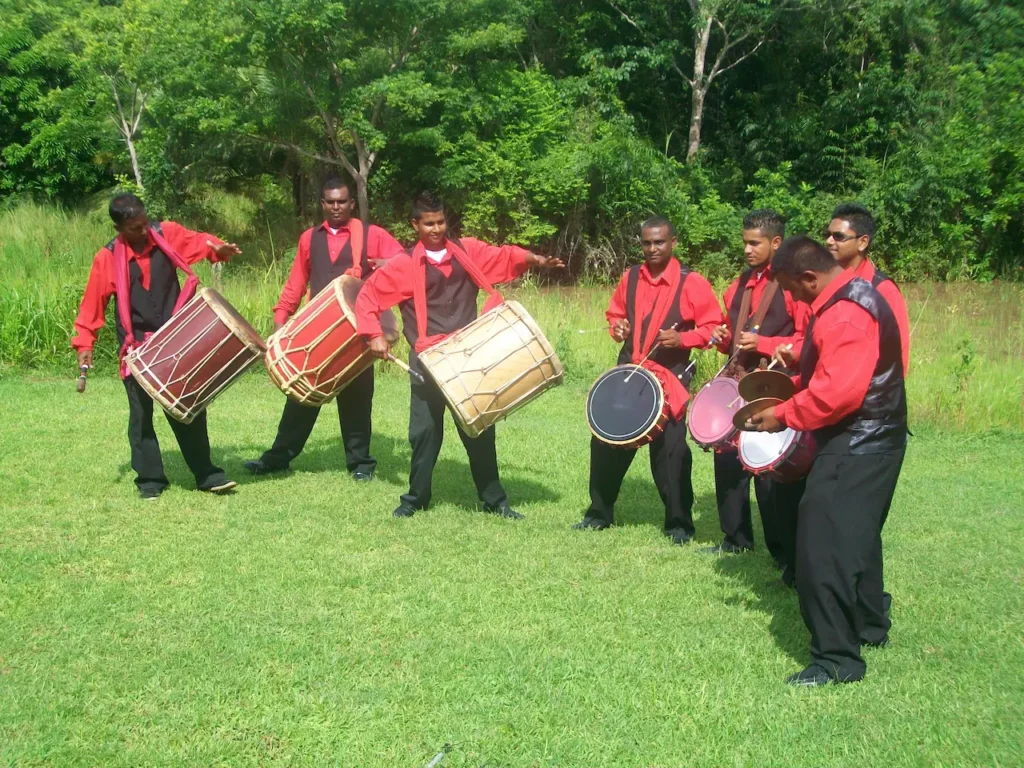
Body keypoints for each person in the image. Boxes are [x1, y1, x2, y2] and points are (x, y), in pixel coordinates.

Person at [747, 236, 908, 686]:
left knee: (822, 549)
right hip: (873, 439)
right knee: (857, 538)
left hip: (858, 443)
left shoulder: (844, 314)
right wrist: (793, 384)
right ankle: (871, 626)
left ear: (809, 277)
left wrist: (781, 414)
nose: (793, 299)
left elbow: (838, 394)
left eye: (792, 289)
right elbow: (833, 374)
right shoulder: (851, 298)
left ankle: (837, 659)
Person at [354, 192, 564, 519]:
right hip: (427, 362)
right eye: (428, 224)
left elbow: (504, 256)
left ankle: (496, 501)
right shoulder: (404, 265)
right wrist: (374, 334)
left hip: (469, 358)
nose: (436, 228)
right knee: (424, 434)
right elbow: (367, 297)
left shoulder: (467, 252)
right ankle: (415, 499)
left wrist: (534, 260)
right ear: (415, 225)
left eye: (440, 222)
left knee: (479, 430)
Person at [71, 193, 242, 499]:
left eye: (145, 222)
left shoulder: (166, 234)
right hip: (135, 349)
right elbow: (92, 306)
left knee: (189, 407)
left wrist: (217, 247)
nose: (144, 230)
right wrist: (85, 342)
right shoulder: (107, 258)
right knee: (141, 416)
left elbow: (200, 242)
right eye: (135, 227)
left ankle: (207, 474)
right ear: (119, 227)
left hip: (175, 341)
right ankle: (150, 480)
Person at [243, 177, 405, 480]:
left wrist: (384, 263)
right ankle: (277, 459)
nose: (335, 207)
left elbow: (405, 261)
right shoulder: (309, 239)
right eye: (330, 202)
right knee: (301, 399)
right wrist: (280, 328)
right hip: (314, 335)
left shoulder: (373, 235)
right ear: (322, 204)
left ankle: (360, 465)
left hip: (359, 334)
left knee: (357, 401)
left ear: (352, 204)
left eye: (341, 201)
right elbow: (295, 286)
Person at [575, 216, 721, 545]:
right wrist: (618, 328)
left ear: (673, 243)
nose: (652, 248)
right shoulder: (630, 278)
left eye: (659, 242)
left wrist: (682, 340)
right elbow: (615, 315)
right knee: (606, 441)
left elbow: (715, 330)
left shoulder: (692, 282)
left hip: (670, 379)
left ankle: (679, 524)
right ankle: (599, 513)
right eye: (646, 243)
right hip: (629, 372)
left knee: (671, 451)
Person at [701, 210, 810, 573]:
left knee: (768, 468)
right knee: (727, 462)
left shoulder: (794, 284)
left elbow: (805, 341)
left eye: (754, 243)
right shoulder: (739, 284)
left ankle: (781, 551)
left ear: (776, 243)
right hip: (737, 381)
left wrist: (764, 343)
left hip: (773, 384)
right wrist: (721, 337)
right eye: (744, 242)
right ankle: (735, 539)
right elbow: (730, 337)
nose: (747, 249)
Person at [825, 202, 911, 374]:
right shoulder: (823, 284)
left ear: (862, 242)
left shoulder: (883, 290)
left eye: (838, 236)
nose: (829, 241)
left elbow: (897, 355)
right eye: (827, 235)